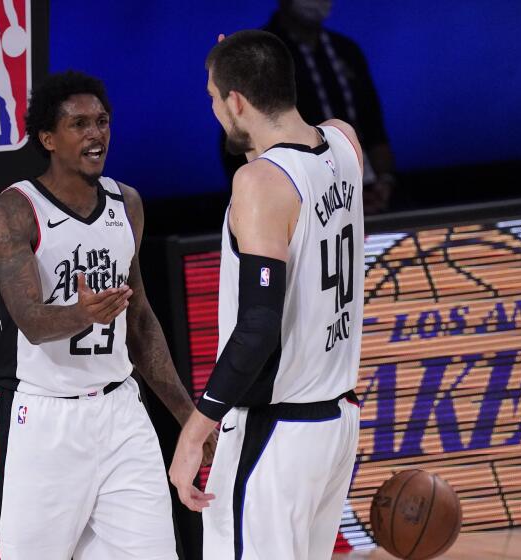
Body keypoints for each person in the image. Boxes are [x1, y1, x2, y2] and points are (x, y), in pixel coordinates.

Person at [0, 70, 215, 560]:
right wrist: (82, 313)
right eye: (79, 124)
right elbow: (30, 319)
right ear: (47, 138)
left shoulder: (126, 202)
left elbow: (142, 321)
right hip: (42, 418)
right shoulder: (15, 210)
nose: (96, 133)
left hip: (119, 412)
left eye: (102, 121)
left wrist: (188, 417)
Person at [169, 31, 364, 559]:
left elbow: (257, 327)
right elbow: (306, 130)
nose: (214, 109)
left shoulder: (260, 183)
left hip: (276, 432)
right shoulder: (345, 144)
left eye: (214, 97)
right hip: (336, 426)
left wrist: (195, 431)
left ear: (237, 101)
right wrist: (254, 60)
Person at [220, 0, 395, 213]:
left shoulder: (346, 50)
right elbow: (240, 142)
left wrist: (383, 183)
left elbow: (374, 128)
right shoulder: (257, 55)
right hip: (296, 203)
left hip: (362, 194)